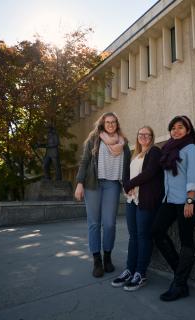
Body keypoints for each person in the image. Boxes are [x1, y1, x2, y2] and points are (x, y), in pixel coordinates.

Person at [152, 115, 195, 302]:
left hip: (185, 200)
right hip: (169, 199)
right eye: (173, 128)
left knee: (186, 241)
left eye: (180, 127)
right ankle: (179, 276)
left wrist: (190, 200)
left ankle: (179, 285)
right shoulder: (168, 149)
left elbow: (193, 175)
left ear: (188, 130)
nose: (176, 130)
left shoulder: (191, 149)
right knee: (156, 231)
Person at [74, 112, 131, 278]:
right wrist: (79, 183)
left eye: (114, 122)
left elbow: (127, 166)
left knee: (110, 224)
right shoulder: (95, 138)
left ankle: (107, 256)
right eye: (108, 122)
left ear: (117, 124)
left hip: (112, 184)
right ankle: (97, 260)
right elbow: (84, 161)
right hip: (93, 184)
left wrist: (128, 185)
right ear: (103, 124)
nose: (111, 125)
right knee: (94, 223)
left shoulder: (123, 142)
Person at [111, 126, 164, 291]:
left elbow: (150, 173)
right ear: (137, 137)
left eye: (147, 134)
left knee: (143, 236)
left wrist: (130, 184)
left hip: (146, 200)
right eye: (141, 134)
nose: (144, 137)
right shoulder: (135, 155)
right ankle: (129, 269)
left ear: (152, 137)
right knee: (133, 236)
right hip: (131, 200)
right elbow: (126, 175)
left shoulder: (154, 152)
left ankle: (141, 273)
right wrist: (127, 186)